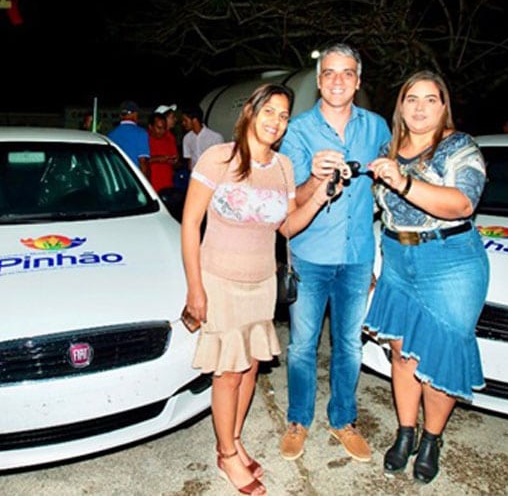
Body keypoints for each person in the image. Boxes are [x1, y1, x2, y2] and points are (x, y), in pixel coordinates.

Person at [181, 83, 341, 495]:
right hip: (220, 280)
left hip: (262, 283)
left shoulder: (283, 167)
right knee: (227, 373)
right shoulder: (219, 158)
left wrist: (318, 197)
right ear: (251, 112)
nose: (276, 121)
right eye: (269, 110)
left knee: (250, 367)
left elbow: (285, 226)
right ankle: (225, 454)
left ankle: (233, 441)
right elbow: (190, 224)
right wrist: (195, 288)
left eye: (284, 115)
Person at [363, 70, 489, 484]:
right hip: (398, 259)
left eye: (430, 99)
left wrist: (403, 182)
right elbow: (375, 210)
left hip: (450, 261)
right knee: (402, 355)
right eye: (411, 99)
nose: (419, 107)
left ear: (443, 105)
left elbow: (463, 203)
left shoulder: (459, 146)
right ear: (400, 106)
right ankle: (405, 432)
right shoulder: (387, 150)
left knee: (439, 359)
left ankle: (432, 439)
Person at [278, 43, 391, 462]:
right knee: (301, 346)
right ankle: (298, 420)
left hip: (357, 255)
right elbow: (290, 199)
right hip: (309, 254)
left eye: (347, 73)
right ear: (319, 80)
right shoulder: (297, 130)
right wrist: (313, 176)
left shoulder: (377, 127)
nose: (337, 80)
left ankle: (343, 419)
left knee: (350, 345)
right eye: (329, 73)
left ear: (358, 81)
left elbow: (389, 185)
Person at [107, 100, 150, 179]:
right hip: (133, 180)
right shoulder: (141, 133)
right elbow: (143, 162)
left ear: (121, 115)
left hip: (117, 179)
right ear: (134, 114)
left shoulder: (111, 135)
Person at [181, 105, 225, 171]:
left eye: (185, 120)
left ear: (194, 120)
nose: (183, 123)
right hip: (195, 175)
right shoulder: (187, 138)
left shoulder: (215, 138)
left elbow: (221, 161)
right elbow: (190, 161)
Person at [147, 111, 179, 192]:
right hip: (151, 187)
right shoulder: (144, 139)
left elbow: (175, 161)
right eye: (159, 128)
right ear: (150, 127)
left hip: (168, 185)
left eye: (164, 128)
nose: (162, 131)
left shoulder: (169, 138)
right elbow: (139, 161)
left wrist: (174, 161)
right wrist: (157, 159)